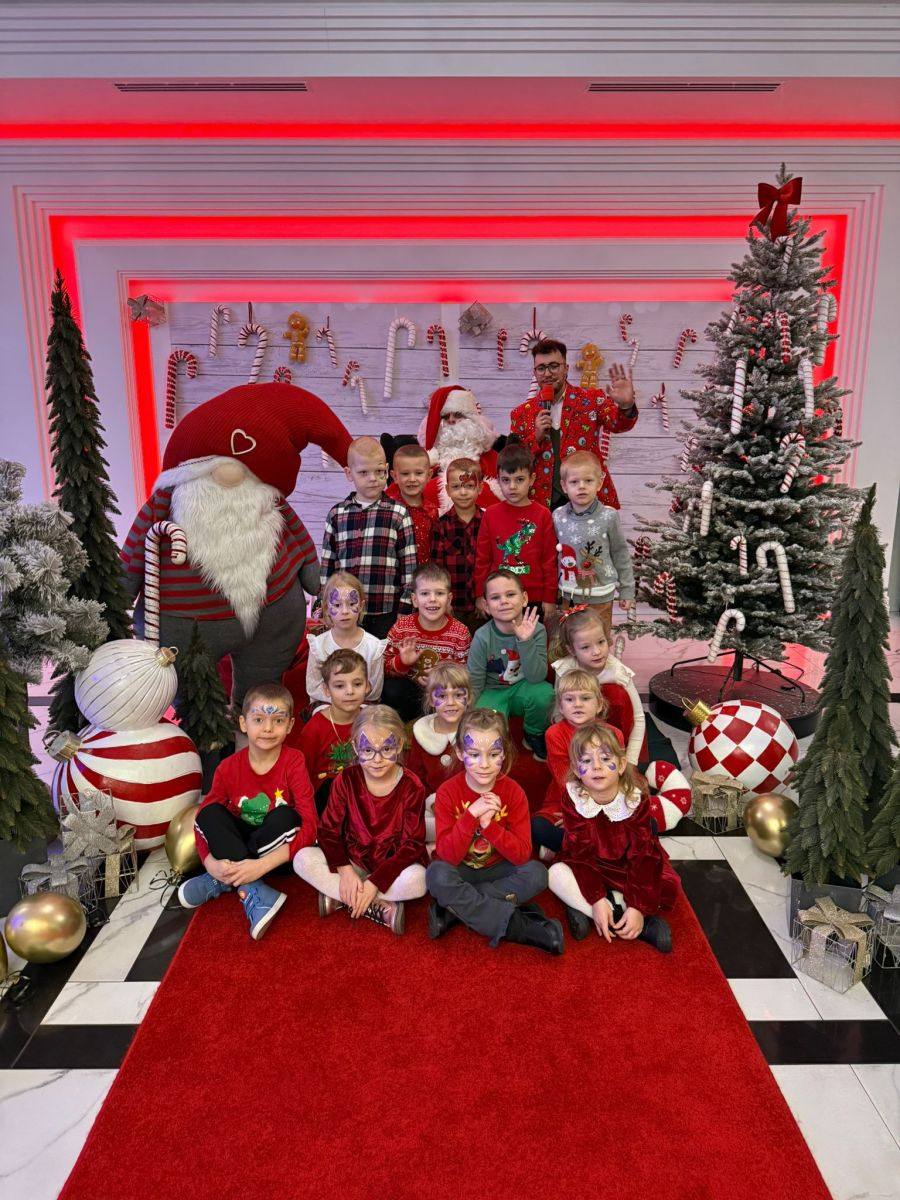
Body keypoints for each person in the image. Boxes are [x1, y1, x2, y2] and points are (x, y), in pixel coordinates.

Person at [178, 681, 317, 940]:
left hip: (275, 855)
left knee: (286, 816)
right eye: (259, 719)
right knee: (208, 813)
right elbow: (202, 821)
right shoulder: (227, 767)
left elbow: (310, 826)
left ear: (289, 726)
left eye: (278, 721)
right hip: (240, 845)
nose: (268, 728)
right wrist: (209, 863)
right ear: (243, 723)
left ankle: (229, 878)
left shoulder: (294, 761)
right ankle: (249, 887)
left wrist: (261, 865)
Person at [426, 707, 563, 955]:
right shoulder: (447, 792)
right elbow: (448, 856)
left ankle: (455, 910)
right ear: (460, 752)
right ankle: (520, 927)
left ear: (505, 753)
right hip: (462, 869)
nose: (484, 764)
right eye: (474, 754)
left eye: (494, 754)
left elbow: (521, 855)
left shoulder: (514, 792)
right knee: (437, 875)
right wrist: (471, 816)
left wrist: (489, 826)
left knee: (538, 874)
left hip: (501, 868)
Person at [294, 706, 428, 935]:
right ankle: (375, 905)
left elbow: (413, 844)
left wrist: (376, 882)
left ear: (399, 745)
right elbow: (327, 830)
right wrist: (345, 871)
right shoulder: (346, 779)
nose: (377, 760)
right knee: (302, 859)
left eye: (387, 749)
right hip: (353, 859)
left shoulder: (412, 786)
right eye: (367, 750)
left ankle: (343, 898)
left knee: (419, 880)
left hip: (391, 865)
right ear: (356, 747)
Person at [548, 723, 679, 952]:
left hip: (626, 867)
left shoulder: (635, 798)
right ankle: (609, 912)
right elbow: (580, 853)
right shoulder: (574, 796)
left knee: (668, 884)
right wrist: (596, 900)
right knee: (554, 874)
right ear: (577, 770)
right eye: (586, 761)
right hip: (588, 866)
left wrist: (637, 906)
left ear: (621, 765)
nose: (596, 766)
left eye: (605, 758)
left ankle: (593, 909)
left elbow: (643, 855)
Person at [509, 338, 638, 511]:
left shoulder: (591, 399)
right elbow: (513, 463)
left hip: (589, 500)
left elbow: (618, 424)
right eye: (541, 368)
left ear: (566, 368)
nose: (547, 373)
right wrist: (536, 437)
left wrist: (626, 406)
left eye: (554, 366)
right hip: (541, 505)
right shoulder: (521, 414)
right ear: (535, 373)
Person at [320, 435, 417, 639]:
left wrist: (405, 608)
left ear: (387, 469)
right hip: (346, 610)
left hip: (385, 611)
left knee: (382, 657)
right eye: (364, 472)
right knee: (347, 656)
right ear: (349, 473)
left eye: (379, 471)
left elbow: (409, 567)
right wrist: (325, 605)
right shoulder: (337, 515)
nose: (373, 478)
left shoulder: (398, 513)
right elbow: (328, 566)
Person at [532, 669, 624, 859]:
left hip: (606, 798)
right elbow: (564, 779)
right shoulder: (554, 734)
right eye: (569, 699)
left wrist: (595, 814)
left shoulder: (614, 734)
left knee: (642, 820)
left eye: (585, 698)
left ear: (599, 705)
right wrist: (574, 815)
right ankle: (588, 843)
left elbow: (617, 777)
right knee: (537, 826)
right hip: (566, 800)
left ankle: (577, 843)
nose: (577, 704)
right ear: (560, 706)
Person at [469, 570, 554, 761]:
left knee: (544, 693)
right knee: (484, 725)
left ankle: (533, 733)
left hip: (524, 688)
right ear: (487, 606)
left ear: (524, 599)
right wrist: (472, 714)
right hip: (492, 691)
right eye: (495, 597)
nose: (504, 601)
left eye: (510, 594)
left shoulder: (538, 630)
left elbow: (536, 677)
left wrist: (525, 641)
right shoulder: (482, 636)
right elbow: (474, 680)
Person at [553, 450, 635, 642]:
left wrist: (627, 590)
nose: (581, 486)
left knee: (599, 640)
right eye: (574, 482)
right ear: (564, 486)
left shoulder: (608, 516)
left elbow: (620, 554)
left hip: (600, 595)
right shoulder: (557, 516)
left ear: (599, 482)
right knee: (567, 640)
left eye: (588, 481)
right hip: (568, 594)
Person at [473, 442, 557, 624]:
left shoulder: (543, 515)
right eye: (506, 480)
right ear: (498, 479)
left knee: (532, 639)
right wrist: (480, 594)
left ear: (531, 479)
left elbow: (549, 560)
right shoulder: (490, 514)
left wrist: (549, 596)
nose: (512, 486)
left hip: (534, 597)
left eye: (519, 480)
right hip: (499, 596)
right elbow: (482, 560)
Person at [551, 606, 645, 768]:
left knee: (616, 693)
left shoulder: (617, 672)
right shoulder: (564, 669)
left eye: (601, 642)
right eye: (585, 647)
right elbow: (559, 710)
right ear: (571, 650)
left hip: (609, 729)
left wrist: (630, 760)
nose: (596, 652)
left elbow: (638, 718)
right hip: (574, 728)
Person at [382, 562, 471, 722]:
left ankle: (444, 724)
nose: (432, 599)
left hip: (446, 695)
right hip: (410, 693)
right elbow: (382, 667)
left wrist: (441, 679)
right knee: (392, 689)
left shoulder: (460, 633)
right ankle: (404, 726)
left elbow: (465, 673)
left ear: (449, 599)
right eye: (425, 594)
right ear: (415, 600)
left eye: (439, 593)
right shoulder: (402, 627)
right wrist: (403, 662)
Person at [295, 648, 368, 815]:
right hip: (326, 796)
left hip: (363, 789)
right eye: (340, 686)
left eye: (357, 684)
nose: (350, 691)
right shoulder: (315, 727)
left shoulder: (371, 720)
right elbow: (302, 772)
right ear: (327, 690)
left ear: (367, 686)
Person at [405, 662, 471, 844]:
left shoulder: (476, 732)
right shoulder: (421, 733)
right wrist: (434, 803)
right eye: (442, 696)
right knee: (411, 826)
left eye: (458, 695)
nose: (451, 702)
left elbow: (486, 773)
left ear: (469, 697)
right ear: (431, 700)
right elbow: (415, 779)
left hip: (470, 803)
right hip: (432, 805)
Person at [418, 385, 502, 514]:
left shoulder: (490, 458)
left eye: (458, 415)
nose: (451, 420)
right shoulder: (429, 458)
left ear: (472, 420)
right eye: (445, 416)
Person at [306, 571, 385, 706]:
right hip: (327, 705)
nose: (345, 611)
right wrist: (341, 700)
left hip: (361, 705)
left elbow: (374, 691)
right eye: (337, 605)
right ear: (327, 608)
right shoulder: (318, 645)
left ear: (361, 606)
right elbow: (313, 687)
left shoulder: (373, 647)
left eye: (352, 604)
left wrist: (352, 700)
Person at [430, 457, 484, 632]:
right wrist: (443, 599)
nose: (463, 492)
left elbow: (492, 563)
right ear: (447, 490)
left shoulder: (488, 522)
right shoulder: (441, 525)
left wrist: (484, 596)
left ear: (480, 488)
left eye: (469, 486)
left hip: (483, 605)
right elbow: (437, 568)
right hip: (453, 605)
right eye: (456, 487)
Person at [385, 441, 437, 564]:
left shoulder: (432, 511)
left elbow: (436, 548)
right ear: (394, 476)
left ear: (429, 475)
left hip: (425, 573)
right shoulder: (388, 510)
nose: (412, 479)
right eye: (405, 474)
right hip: (396, 572)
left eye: (418, 473)